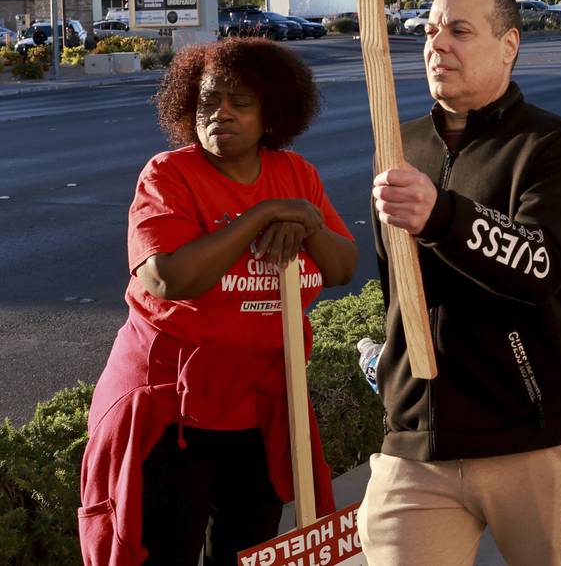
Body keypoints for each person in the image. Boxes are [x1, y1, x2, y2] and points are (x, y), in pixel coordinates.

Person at [79, 39, 356, 566]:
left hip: (257, 407)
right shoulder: (168, 175)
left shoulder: (295, 174)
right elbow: (168, 277)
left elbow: (342, 267)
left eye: (239, 101)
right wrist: (265, 215)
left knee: (248, 549)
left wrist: (304, 219)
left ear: (271, 113)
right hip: (169, 412)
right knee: (163, 552)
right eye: (208, 101)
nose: (220, 113)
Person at [361, 0, 561, 565]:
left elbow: (541, 265)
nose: (437, 43)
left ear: (509, 44)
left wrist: (443, 216)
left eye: (460, 31)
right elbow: (395, 286)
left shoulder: (551, 144)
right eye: (431, 29)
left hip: (532, 435)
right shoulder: (399, 145)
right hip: (418, 440)